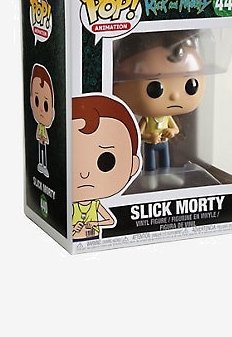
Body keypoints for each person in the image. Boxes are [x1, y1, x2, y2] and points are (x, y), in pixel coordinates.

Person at [112, 31, 205, 172]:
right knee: (150, 165)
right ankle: (151, 177)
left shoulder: (167, 117)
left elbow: (176, 129)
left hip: (164, 143)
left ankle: (165, 175)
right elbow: (138, 134)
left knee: (165, 163)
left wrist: (171, 131)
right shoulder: (147, 119)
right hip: (151, 143)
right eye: (154, 88)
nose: (174, 96)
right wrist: (150, 136)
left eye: (190, 85)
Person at [72, 94, 141, 241]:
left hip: (94, 236)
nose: (84, 174)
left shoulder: (95, 205)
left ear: (133, 165)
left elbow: (110, 220)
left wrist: (94, 223)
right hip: (75, 238)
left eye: (106, 161)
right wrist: (73, 226)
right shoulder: (73, 206)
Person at [30, 64, 55, 178]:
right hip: (41, 141)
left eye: (45, 106)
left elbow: (45, 135)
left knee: (43, 153)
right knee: (41, 153)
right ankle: (41, 164)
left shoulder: (43, 127)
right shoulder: (40, 126)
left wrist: (45, 139)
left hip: (43, 141)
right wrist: (39, 137)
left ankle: (44, 165)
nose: (40, 109)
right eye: (36, 101)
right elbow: (38, 133)